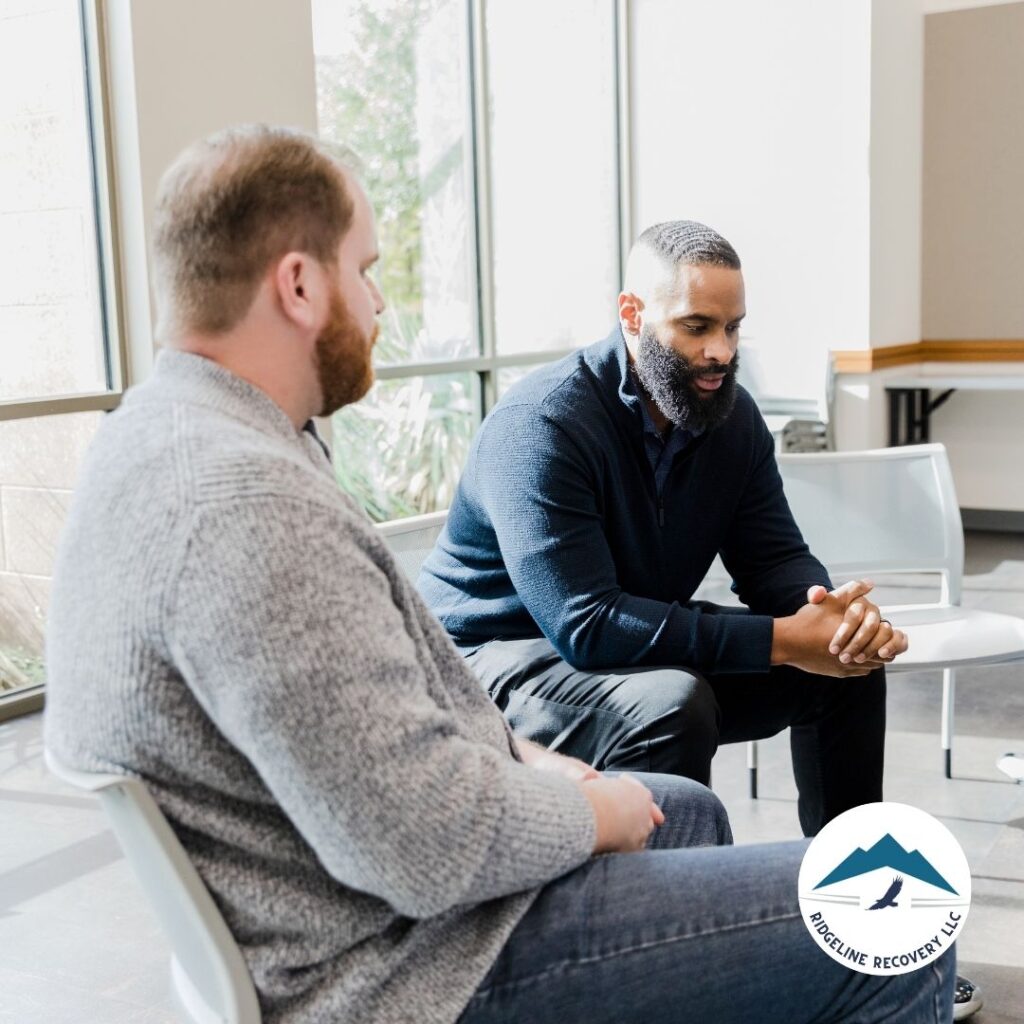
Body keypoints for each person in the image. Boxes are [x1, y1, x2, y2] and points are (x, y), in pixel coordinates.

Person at [44, 127, 953, 1023]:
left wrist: (546, 769)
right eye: (366, 269)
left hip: (387, 911)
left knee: (685, 813)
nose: (381, 301)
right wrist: (590, 813)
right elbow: (419, 842)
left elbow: (383, 751)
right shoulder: (246, 501)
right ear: (298, 284)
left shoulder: (177, 443)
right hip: (408, 965)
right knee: (894, 911)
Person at [419, 220, 907, 839]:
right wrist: (783, 640)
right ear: (632, 313)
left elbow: (775, 557)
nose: (722, 352)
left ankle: (849, 898)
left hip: (623, 640)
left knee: (846, 667)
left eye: (733, 328)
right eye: (696, 327)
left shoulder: (728, 417)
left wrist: (828, 615)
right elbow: (587, 624)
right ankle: (675, 915)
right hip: (494, 665)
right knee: (672, 705)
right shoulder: (542, 424)